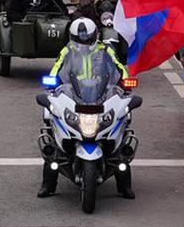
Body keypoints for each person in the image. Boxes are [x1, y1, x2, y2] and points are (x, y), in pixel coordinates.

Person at [40, 17, 131, 197]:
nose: (84, 41)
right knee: (52, 128)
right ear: (73, 36)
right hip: (75, 94)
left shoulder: (105, 50)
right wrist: (52, 82)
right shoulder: (67, 51)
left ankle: (125, 186)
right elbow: (56, 68)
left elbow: (119, 68)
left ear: (94, 35)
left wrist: (125, 82)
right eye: (80, 37)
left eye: (87, 37)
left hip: (101, 94)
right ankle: (48, 185)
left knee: (123, 124)